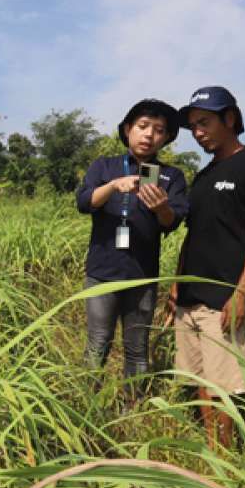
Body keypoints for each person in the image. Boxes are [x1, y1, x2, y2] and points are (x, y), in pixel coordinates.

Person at [170, 86, 245, 448]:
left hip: (224, 297)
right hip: (190, 296)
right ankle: (212, 454)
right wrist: (176, 283)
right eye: (194, 127)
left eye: (204, 123)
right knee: (200, 379)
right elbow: (193, 235)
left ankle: (227, 460)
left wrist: (242, 293)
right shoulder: (202, 178)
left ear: (229, 119)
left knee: (224, 387)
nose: (198, 132)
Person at [75, 98, 189, 387]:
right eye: (143, 126)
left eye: (159, 130)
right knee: (98, 342)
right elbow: (84, 201)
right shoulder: (105, 166)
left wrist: (161, 207)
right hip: (102, 274)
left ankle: (132, 404)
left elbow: (172, 221)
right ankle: (87, 406)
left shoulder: (170, 176)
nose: (150, 135)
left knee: (137, 348)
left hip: (142, 277)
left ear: (166, 138)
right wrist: (113, 186)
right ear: (128, 129)